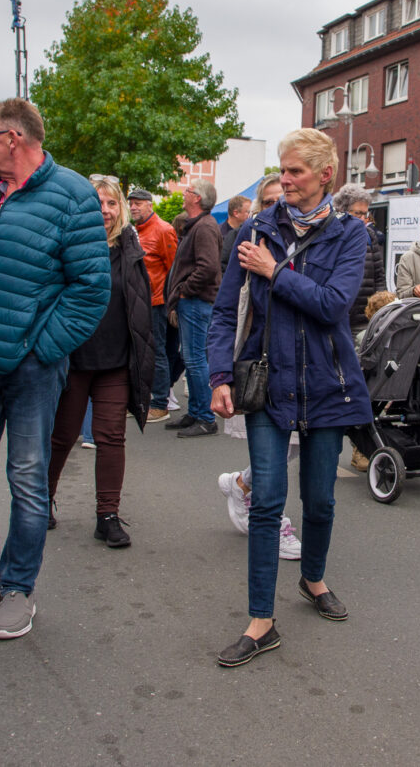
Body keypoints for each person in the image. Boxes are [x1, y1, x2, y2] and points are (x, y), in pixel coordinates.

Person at [0, 97, 109, 641]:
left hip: (31, 370)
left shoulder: (73, 195)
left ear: (13, 137)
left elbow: (90, 291)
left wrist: (41, 349)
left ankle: (17, 589)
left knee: (28, 480)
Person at [207, 128, 371, 668]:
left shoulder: (351, 234)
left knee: (320, 499)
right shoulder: (256, 228)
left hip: (328, 385)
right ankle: (261, 621)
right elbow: (226, 309)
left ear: (326, 174)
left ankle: (313, 579)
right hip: (267, 383)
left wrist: (275, 272)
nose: (284, 179)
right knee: (268, 501)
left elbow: (332, 305)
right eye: (282, 169)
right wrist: (218, 376)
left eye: (295, 170)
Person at [45, 179, 152, 545]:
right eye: (96, 202)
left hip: (116, 361)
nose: (104, 210)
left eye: (111, 203)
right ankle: (42, 500)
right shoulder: (66, 245)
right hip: (73, 359)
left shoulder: (130, 247)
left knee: (111, 437)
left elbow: (139, 304)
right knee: (62, 436)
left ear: (120, 208)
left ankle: (107, 515)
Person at [164, 178, 222, 438]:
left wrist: (185, 289)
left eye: (187, 191)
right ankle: (197, 412)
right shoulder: (199, 226)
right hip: (194, 302)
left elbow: (208, 268)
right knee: (193, 360)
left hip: (197, 302)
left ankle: (206, 418)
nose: (184, 194)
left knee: (196, 360)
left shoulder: (204, 227)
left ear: (197, 198)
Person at [129, 188, 178, 423]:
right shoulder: (133, 230)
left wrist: (173, 304)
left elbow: (174, 269)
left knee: (157, 353)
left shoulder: (163, 230)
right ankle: (140, 400)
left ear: (150, 205)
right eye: (131, 203)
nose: (133, 207)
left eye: (138, 203)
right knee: (138, 352)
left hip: (156, 302)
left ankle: (160, 403)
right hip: (136, 301)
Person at [333, 182, 384, 336]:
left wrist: (379, 310)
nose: (363, 219)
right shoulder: (331, 236)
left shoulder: (370, 236)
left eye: (365, 214)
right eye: (358, 214)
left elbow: (379, 276)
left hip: (365, 320)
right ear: (342, 211)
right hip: (338, 319)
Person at [220, 194, 251, 271]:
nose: (251, 215)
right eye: (248, 212)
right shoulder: (217, 233)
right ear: (236, 213)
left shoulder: (249, 233)